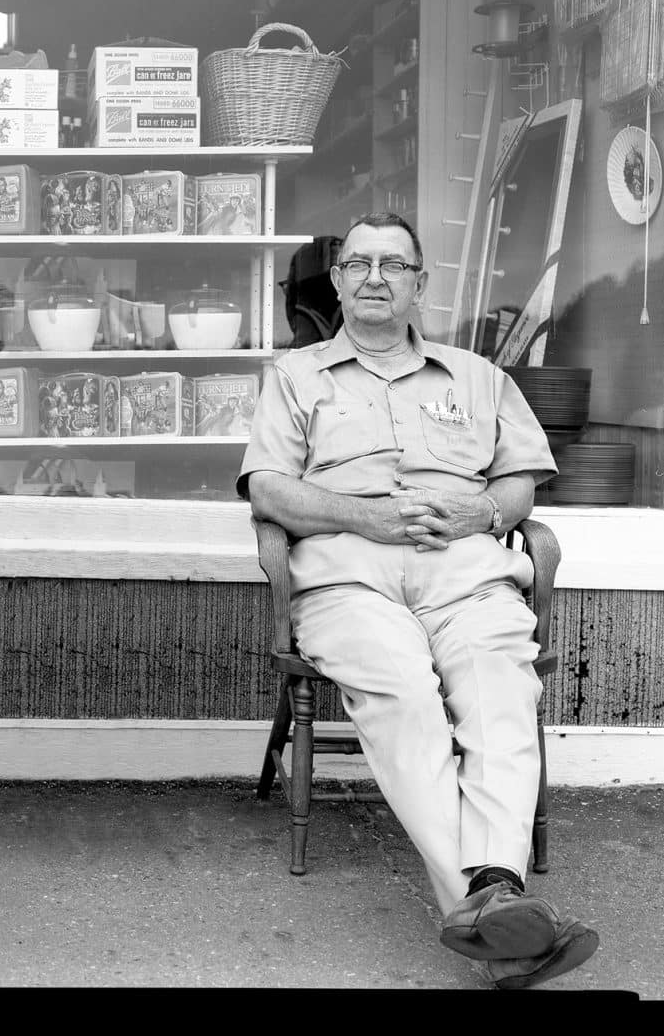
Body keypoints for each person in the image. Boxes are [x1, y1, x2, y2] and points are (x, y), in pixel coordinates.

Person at [237, 212, 600, 990]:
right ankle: (493, 898)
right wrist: (360, 514)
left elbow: (521, 480)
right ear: (336, 283)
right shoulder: (294, 377)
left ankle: (489, 906)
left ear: (419, 283)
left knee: (500, 688)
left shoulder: (479, 378)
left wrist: (484, 514)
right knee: (403, 694)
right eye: (358, 263)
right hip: (348, 570)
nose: (374, 276)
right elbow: (267, 487)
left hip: (463, 566)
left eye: (393, 265)